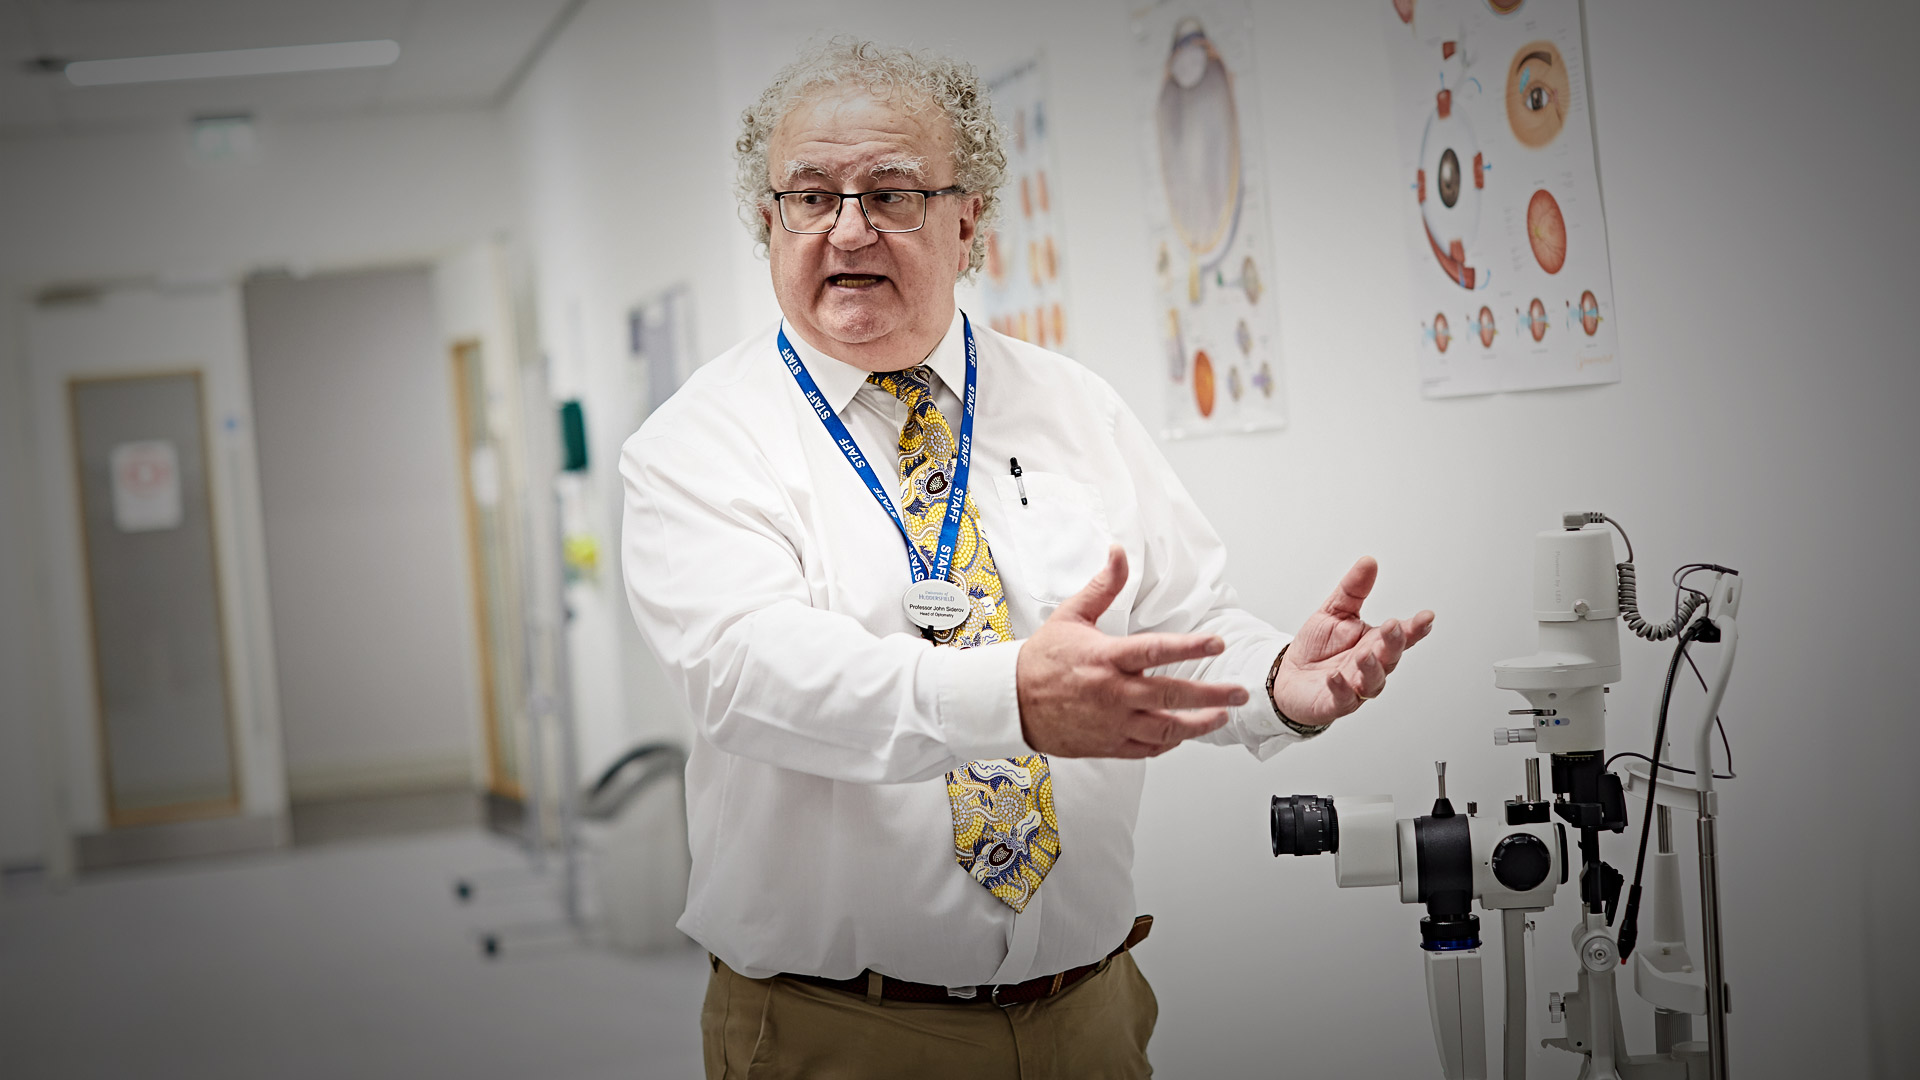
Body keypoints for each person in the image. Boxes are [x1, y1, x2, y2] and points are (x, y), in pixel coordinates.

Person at [620, 39, 1434, 1080]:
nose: (848, 229)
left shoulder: (1074, 406)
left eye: (892, 194)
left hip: (1089, 1015)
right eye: (809, 198)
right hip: (837, 1032)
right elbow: (753, 674)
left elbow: (1178, 621)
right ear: (766, 222)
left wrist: (1276, 679)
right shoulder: (699, 443)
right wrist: (1008, 696)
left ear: (972, 223)